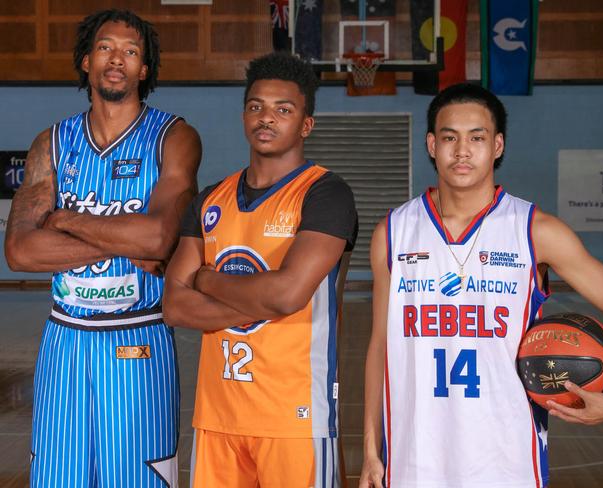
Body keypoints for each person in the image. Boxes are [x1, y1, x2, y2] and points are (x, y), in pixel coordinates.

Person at [359, 83, 603, 487]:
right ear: (430, 144)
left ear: (496, 145)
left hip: (507, 457)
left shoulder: (536, 231)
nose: (462, 150)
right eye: (449, 137)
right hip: (414, 457)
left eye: (476, 137)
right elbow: (379, 345)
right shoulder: (393, 232)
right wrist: (372, 450)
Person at [4, 9, 201, 488]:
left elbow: (158, 240)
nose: (118, 59)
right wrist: (120, 236)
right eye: (107, 48)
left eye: (131, 52)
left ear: (145, 70)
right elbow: (20, 252)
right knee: (56, 477)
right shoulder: (51, 144)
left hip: (139, 338)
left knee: (137, 479)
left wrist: (67, 221)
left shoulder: (173, 137)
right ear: (87, 60)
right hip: (63, 341)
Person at [163, 51, 357, 487]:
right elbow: (175, 306)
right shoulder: (212, 198)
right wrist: (264, 300)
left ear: (306, 124)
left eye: (283, 110)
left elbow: (288, 295)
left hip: (293, 417)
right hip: (217, 416)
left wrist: (208, 280)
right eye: (256, 107)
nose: (266, 118)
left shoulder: (326, 193)